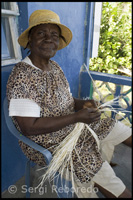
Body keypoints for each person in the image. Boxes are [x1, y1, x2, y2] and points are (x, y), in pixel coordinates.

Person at [6, 9, 132, 198]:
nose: (49, 39)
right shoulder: (23, 75)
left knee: (113, 126)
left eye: (54, 35)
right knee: (96, 167)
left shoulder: (54, 67)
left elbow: (67, 100)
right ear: (30, 40)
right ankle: (99, 175)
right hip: (47, 141)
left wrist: (84, 104)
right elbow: (29, 128)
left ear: (58, 42)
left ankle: (96, 169)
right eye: (41, 33)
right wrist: (76, 117)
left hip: (71, 126)